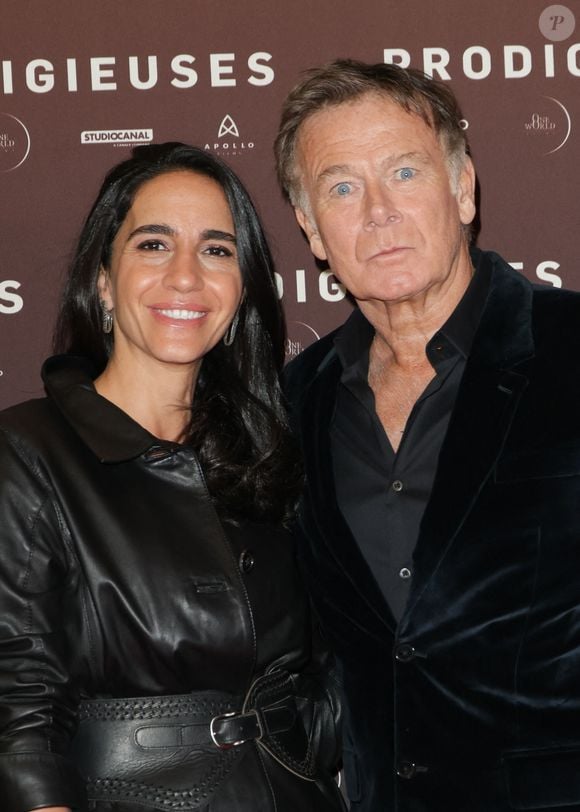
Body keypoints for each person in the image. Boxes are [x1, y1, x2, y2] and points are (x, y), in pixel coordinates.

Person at [0, 143, 346, 812]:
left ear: (241, 287)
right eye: (154, 245)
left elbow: (325, 669)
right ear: (103, 280)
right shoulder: (28, 452)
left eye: (217, 250)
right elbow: (18, 713)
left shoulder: (274, 456)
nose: (186, 276)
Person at [275, 58, 580, 811]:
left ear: (464, 187)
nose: (377, 210)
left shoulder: (573, 347)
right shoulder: (293, 399)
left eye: (404, 173)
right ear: (313, 229)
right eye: (341, 187)